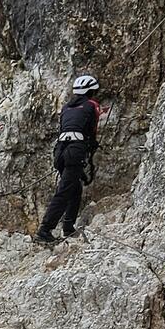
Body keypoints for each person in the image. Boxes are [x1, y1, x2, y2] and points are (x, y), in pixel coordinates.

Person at [35, 75, 102, 245]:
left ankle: (68, 226)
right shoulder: (92, 105)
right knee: (64, 190)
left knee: (75, 188)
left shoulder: (66, 107)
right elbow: (91, 131)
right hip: (75, 150)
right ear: (90, 91)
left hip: (60, 151)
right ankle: (45, 230)